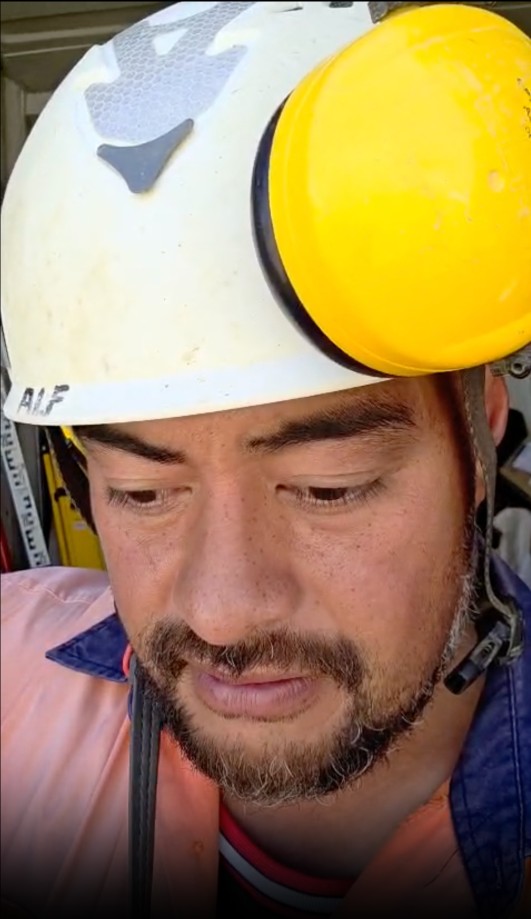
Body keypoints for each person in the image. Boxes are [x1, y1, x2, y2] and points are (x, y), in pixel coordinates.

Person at [1, 2, 530, 918]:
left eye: (329, 489)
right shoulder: (16, 673)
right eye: (143, 492)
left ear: (478, 444)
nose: (221, 611)